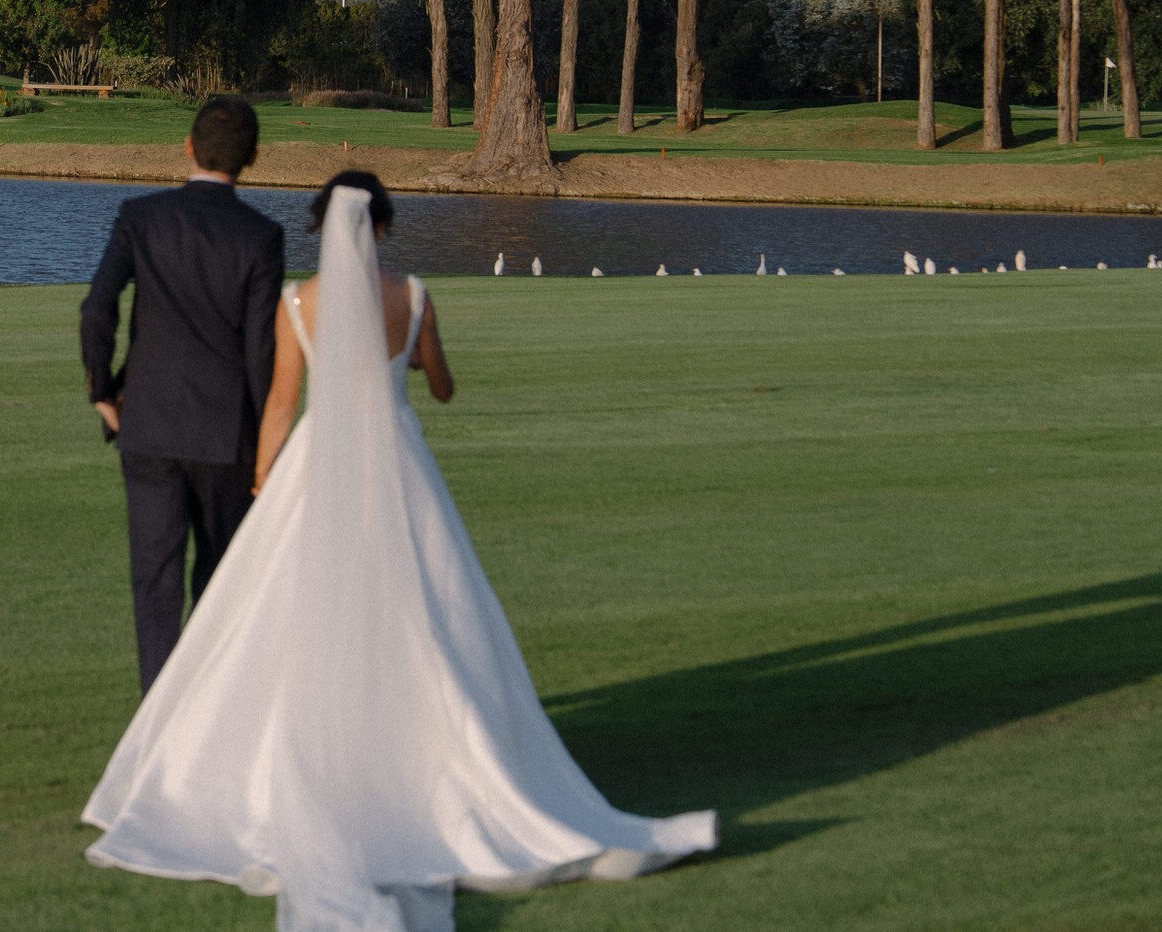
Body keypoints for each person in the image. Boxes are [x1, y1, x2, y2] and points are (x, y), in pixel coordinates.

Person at [84, 172, 716, 932]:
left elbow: (281, 405)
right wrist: (413, 359)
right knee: (425, 608)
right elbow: (444, 388)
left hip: (319, 468)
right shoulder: (412, 298)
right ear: (381, 226)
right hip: (397, 463)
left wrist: (262, 486)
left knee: (294, 613)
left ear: (322, 226)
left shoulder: (298, 303)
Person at [80, 94, 286, 694]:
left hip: (148, 426)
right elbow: (260, 352)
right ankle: (204, 712)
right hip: (228, 438)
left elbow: (96, 310)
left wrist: (102, 390)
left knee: (155, 586)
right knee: (219, 587)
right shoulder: (262, 236)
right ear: (253, 158)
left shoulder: (141, 216)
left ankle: (158, 715)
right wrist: (264, 445)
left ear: (188, 146)